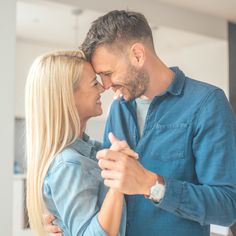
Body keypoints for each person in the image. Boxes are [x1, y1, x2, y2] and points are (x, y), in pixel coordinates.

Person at [46, 10, 236, 236]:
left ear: (137, 55)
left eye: (108, 73)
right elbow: (103, 184)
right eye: (100, 76)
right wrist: (61, 218)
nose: (105, 86)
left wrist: (152, 185)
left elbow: (227, 206)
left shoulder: (206, 104)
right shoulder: (118, 108)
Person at [25, 50, 139, 236]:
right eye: (94, 83)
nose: (102, 88)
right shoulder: (69, 164)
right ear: (68, 97)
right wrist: (117, 184)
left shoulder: (90, 150)